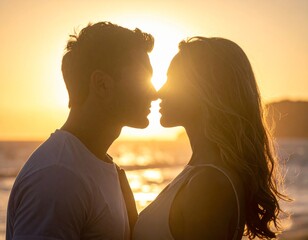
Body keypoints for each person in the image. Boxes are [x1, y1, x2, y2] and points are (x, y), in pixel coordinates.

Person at [6, 21, 156, 240]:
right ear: (102, 84)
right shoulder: (58, 176)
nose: (154, 92)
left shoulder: (97, 166)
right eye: (144, 79)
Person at [133, 37, 290, 239]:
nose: (160, 92)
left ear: (204, 91)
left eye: (173, 80)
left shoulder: (209, 184)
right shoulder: (201, 173)